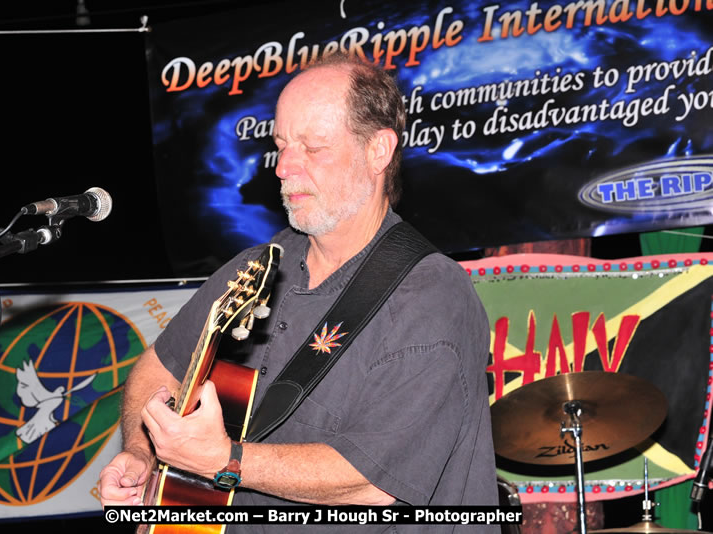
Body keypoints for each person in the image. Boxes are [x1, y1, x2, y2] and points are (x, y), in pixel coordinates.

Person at [99, 52, 498, 532]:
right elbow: (160, 365)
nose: (285, 167)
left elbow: (371, 485)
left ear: (378, 150)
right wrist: (141, 454)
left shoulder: (431, 295)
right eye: (282, 145)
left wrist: (224, 459)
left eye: (312, 147)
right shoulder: (257, 266)